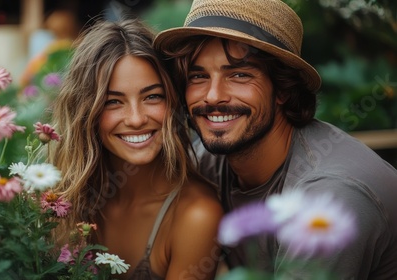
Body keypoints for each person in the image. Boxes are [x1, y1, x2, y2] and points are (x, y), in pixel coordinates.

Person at [153, 0, 397, 279]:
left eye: (239, 75)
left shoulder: (329, 198)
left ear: (282, 88)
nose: (212, 96)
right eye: (198, 76)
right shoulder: (209, 165)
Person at [48, 18, 224, 280]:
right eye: (113, 102)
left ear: (174, 101)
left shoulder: (196, 215)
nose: (136, 118)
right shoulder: (65, 200)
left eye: (152, 96)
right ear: (85, 113)